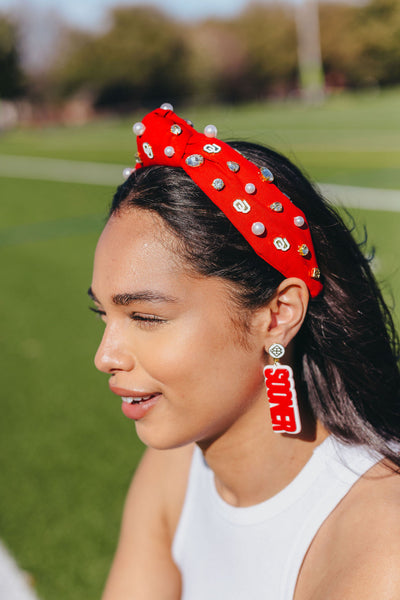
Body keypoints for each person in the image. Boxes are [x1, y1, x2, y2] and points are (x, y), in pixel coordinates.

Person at [89, 104, 400, 600]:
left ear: (278, 315)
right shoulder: (175, 469)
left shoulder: (382, 545)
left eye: (145, 317)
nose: (105, 356)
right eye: (103, 314)